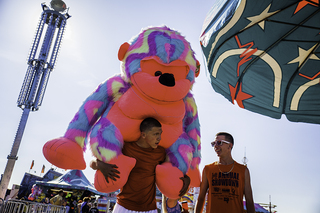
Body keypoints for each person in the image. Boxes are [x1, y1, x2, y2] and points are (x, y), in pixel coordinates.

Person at [91, 117, 190, 213]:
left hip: (149, 209)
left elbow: (173, 170)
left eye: (160, 134)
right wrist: (100, 164)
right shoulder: (126, 148)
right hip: (124, 206)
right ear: (143, 135)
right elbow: (92, 163)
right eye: (155, 134)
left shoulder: (160, 153)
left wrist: (186, 178)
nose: (159, 138)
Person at [194, 132, 255, 213]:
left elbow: (249, 201)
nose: (215, 146)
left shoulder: (243, 171)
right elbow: (201, 198)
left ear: (229, 146)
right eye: (213, 143)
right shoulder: (208, 169)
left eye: (219, 143)